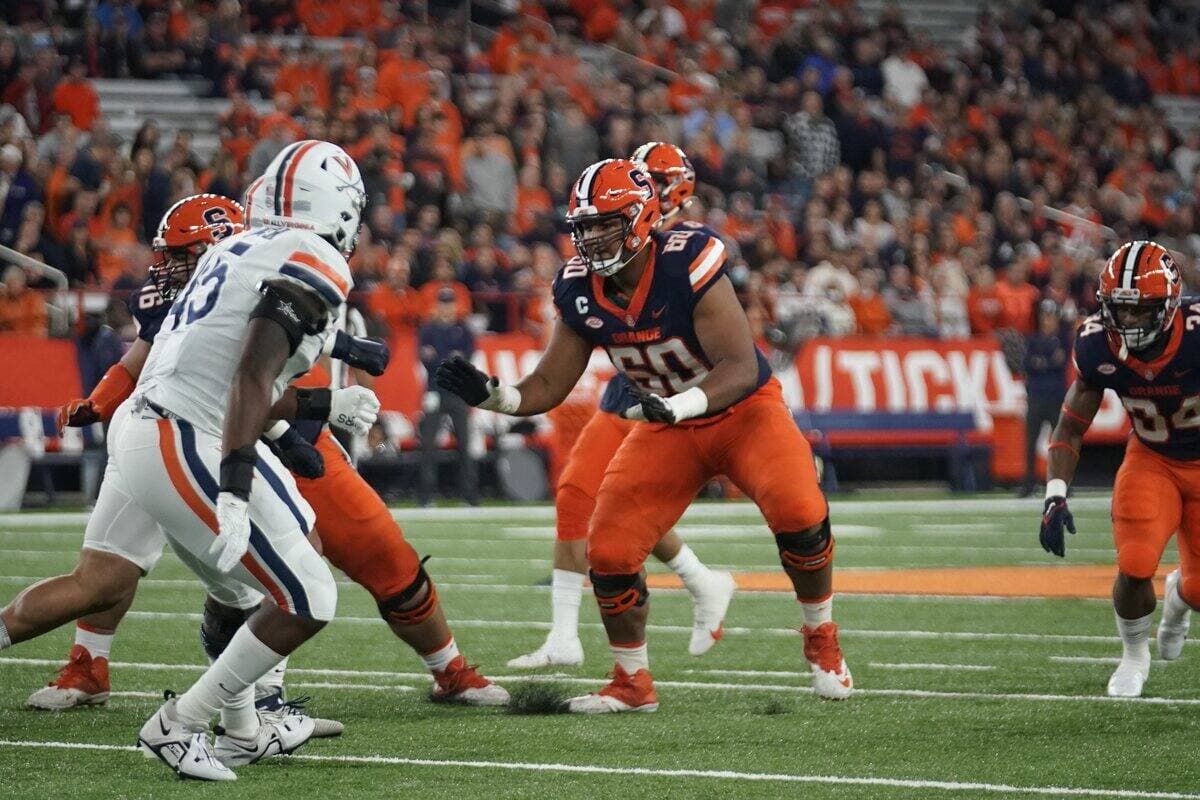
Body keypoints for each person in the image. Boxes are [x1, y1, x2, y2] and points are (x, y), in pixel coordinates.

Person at [27, 193, 506, 722]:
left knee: (381, 553)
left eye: (181, 257)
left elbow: (272, 360)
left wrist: (341, 369)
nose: (167, 270)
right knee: (146, 568)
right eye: (171, 257)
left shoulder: (282, 275)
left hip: (284, 433)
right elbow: (151, 365)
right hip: (195, 436)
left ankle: (449, 669)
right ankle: (111, 669)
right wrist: (98, 403)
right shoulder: (175, 300)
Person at [438, 158, 850, 712]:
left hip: (741, 412)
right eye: (583, 227)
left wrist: (680, 405)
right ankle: (633, 682)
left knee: (800, 511)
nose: (591, 238)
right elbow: (547, 384)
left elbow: (740, 365)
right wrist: (496, 396)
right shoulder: (579, 287)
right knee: (608, 550)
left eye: (603, 224)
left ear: (640, 216)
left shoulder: (688, 260)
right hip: (665, 425)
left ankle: (820, 637)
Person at [507, 141, 734, 669]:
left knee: (610, 502)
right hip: (634, 385)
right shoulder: (614, 248)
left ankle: (690, 593)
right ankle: (692, 585)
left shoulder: (691, 250)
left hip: (685, 392)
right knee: (585, 494)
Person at [1040, 241, 1196, 699]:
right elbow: (1070, 427)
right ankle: (1132, 655)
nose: (1126, 322)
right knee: (1134, 563)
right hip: (1153, 460)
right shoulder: (1096, 345)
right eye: (1119, 309)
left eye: (1139, 310)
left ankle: (1179, 599)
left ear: (1168, 307)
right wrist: (1054, 493)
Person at [417, 287, 479, 506]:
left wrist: (440, 359)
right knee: (428, 444)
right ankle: (426, 496)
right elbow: (426, 358)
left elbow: (465, 361)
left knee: (465, 442)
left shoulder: (463, 330)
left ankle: (469, 495)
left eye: (449, 302)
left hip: (456, 392)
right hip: (434, 390)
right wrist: (450, 359)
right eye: (443, 302)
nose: (446, 307)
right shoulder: (429, 330)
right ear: (438, 305)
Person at [1020, 299, 1070, 497]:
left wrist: (1042, 362)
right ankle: (1028, 483)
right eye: (1045, 316)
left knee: (1061, 443)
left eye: (1051, 316)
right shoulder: (1032, 339)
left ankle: (1063, 483)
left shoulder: (1062, 339)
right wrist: (1047, 361)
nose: (1047, 320)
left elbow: (1058, 363)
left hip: (1055, 397)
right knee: (1030, 441)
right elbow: (1029, 364)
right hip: (1036, 396)